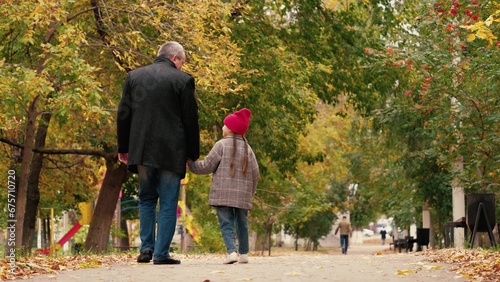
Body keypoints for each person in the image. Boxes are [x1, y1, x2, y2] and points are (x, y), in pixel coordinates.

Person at [117, 41, 200, 265]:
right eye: (182, 62)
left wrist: (123, 148)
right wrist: (193, 152)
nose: (182, 67)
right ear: (175, 58)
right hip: (172, 152)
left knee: (146, 198)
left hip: (142, 151)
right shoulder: (183, 81)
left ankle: (146, 249)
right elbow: (191, 120)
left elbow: (123, 114)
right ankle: (161, 254)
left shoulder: (134, 77)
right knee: (168, 201)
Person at [188, 108, 259, 264]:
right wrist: (250, 194)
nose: (222, 127)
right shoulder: (249, 150)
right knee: (242, 222)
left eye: (225, 125)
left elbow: (207, 165)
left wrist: (191, 165)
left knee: (226, 222)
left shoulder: (221, 145)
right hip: (243, 196)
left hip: (223, 194)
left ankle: (231, 251)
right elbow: (255, 174)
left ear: (231, 129)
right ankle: (244, 254)